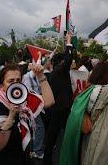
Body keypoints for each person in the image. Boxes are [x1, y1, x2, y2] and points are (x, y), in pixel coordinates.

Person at [43, 33, 74, 165]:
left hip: (59, 109)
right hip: (60, 109)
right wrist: (68, 41)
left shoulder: (56, 73)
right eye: (66, 62)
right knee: (58, 136)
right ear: (61, 62)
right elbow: (68, 59)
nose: (71, 63)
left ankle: (48, 160)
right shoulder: (59, 72)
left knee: (52, 136)